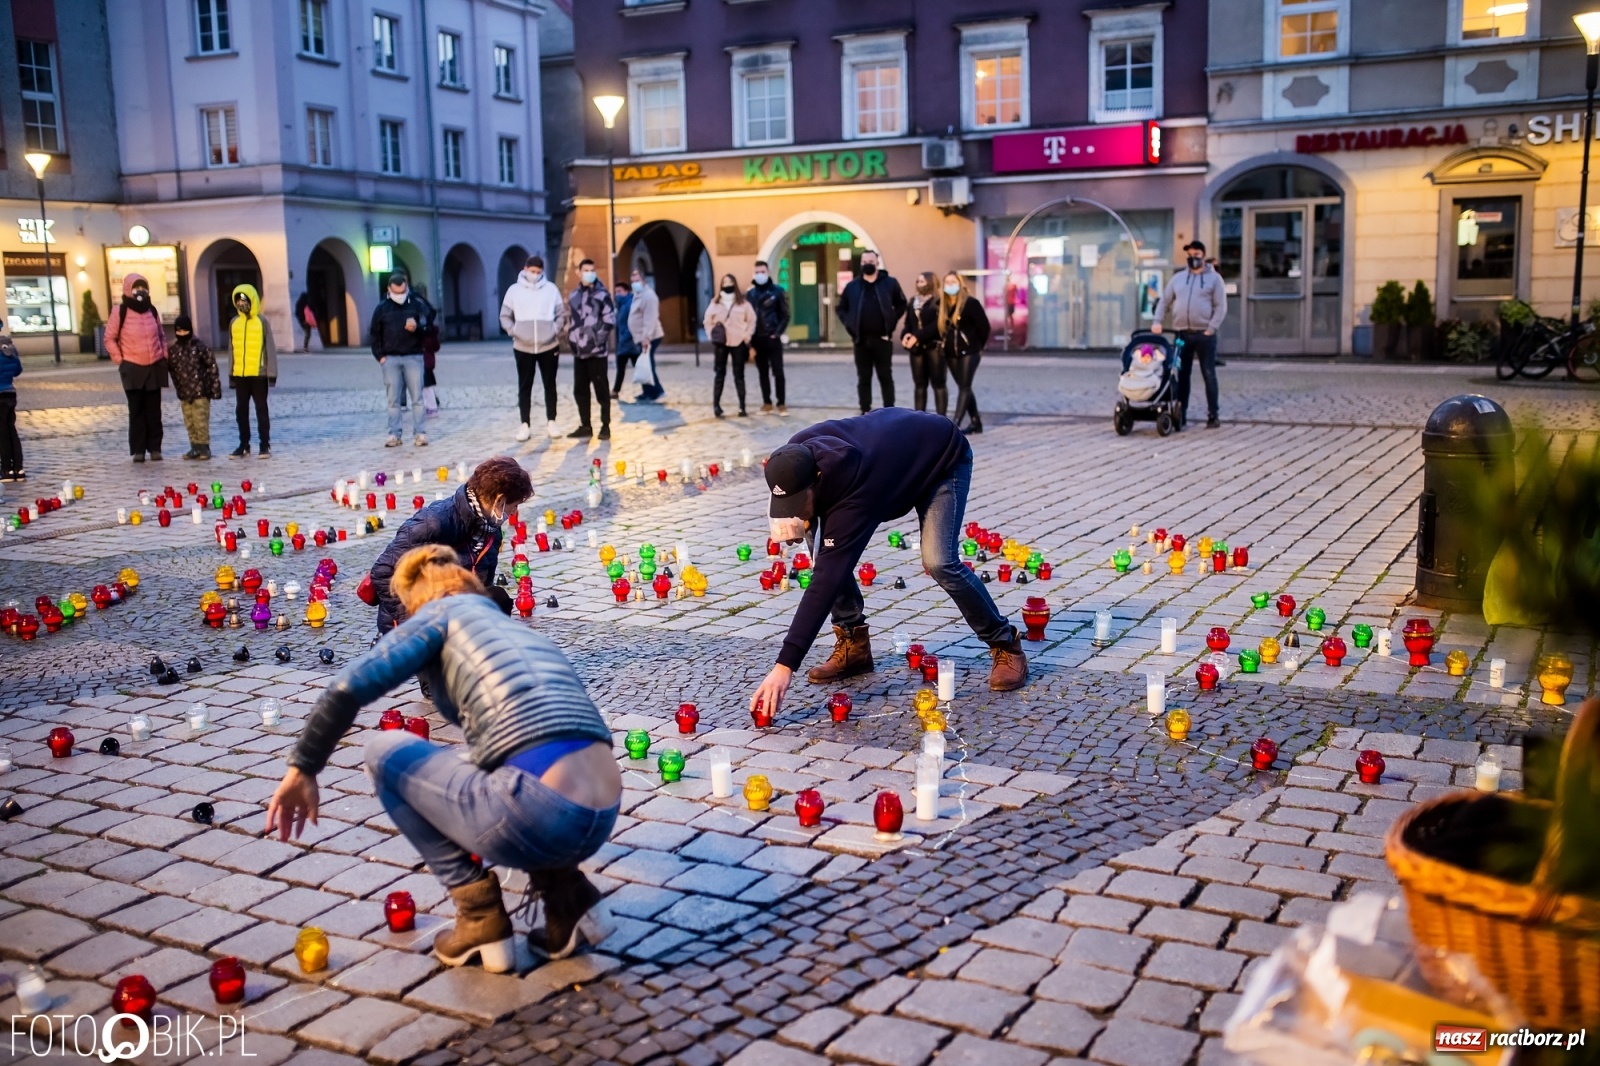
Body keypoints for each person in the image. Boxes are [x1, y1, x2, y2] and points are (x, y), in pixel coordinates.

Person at [265, 544, 621, 970]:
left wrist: (303, 767)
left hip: (539, 811)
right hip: (602, 809)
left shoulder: (438, 615)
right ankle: (569, 899)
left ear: (416, 601)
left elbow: (347, 687)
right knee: (486, 766)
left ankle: (480, 917)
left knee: (383, 751)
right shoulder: (521, 633)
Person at [748, 410, 1029, 721]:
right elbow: (788, 497)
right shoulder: (794, 455)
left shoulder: (856, 493)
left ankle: (1005, 643)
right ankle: (853, 644)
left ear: (817, 479)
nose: (793, 511)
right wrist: (788, 515)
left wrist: (784, 665)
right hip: (892, 455)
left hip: (940, 456)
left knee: (939, 561)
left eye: (797, 502)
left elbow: (827, 579)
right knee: (815, 540)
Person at [368, 456, 533, 636]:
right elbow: (383, 571)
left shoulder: (490, 529)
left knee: (497, 599)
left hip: (454, 613)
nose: (515, 512)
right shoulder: (434, 522)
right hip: (418, 620)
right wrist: (412, 622)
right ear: (499, 500)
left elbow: (482, 582)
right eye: (514, 505)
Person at [1152, 239, 1227, 429]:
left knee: (1208, 373)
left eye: (1196, 255)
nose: (1193, 258)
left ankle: (1213, 414)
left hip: (1204, 336)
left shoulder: (1214, 278)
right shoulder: (1178, 278)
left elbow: (1220, 306)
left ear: (1203, 256)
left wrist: (1212, 328)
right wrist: (1157, 321)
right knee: (1181, 374)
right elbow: (1164, 301)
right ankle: (1180, 413)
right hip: (1182, 335)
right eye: (1190, 255)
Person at [499, 255, 568, 441]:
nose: (535, 275)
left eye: (538, 272)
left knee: (550, 384)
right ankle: (525, 424)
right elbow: (505, 315)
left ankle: (552, 421)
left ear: (542, 272)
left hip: (548, 345)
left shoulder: (551, 290)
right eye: (532, 271)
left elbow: (561, 314)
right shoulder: (514, 290)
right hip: (523, 345)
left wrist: (554, 329)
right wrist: (513, 331)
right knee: (524, 385)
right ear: (525, 268)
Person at [104, 273, 168, 463]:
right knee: (137, 410)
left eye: (143, 288)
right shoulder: (120, 311)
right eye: (136, 288)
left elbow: (161, 335)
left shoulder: (152, 310)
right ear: (128, 290)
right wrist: (120, 360)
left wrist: (163, 354)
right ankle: (138, 449)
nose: (140, 292)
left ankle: (155, 448)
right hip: (132, 367)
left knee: (154, 411)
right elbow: (109, 338)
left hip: (154, 365)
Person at [835, 250, 906, 414]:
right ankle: (865, 410)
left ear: (877, 263)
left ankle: (890, 411)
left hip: (882, 339)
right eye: (864, 261)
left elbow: (901, 304)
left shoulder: (890, 283)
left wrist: (891, 321)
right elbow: (841, 308)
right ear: (861, 264)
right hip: (860, 340)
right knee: (863, 378)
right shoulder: (852, 286)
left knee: (885, 377)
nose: (867, 263)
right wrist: (849, 324)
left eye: (871, 261)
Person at [370, 273, 434, 448]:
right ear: (389, 290)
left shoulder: (415, 305)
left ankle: (420, 433)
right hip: (390, 358)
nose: (400, 295)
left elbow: (429, 328)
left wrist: (418, 328)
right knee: (393, 399)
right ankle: (394, 434)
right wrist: (380, 356)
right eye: (397, 292)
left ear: (407, 287)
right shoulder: (382, 308)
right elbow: (374, 333)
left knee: (417, 398)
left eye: (403, 291)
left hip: (413, 356)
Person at [565, 259, 614, 440]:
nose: (589, 272)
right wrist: (571, 339)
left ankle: (605, 426)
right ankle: (585, 425)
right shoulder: (574, 295)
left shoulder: (602, 295)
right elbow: (570, 320)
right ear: (578, 272)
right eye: (585, 270)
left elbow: (609, 321)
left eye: (592, 270)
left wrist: (597, 340)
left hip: (597, 353)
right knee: (580, 390)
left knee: (602, 390)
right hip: (579, 353)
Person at [226, 285, 277, 459]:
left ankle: (264, 444)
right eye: (238, 301)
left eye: (245, 301)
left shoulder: (261, 322)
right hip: (241, 374)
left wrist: (272, 373)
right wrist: (231, 373)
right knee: (241, 410)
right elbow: (231, 350)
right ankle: (244, 444)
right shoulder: (234, 323)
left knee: (261, 409)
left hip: (258, 373)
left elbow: (270, 347)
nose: (241, 304)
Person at [939, 273, 991, 435]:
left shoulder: (971, 303)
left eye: (953, 282)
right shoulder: (942, 305)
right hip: (951, 352)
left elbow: (984, 327)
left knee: (964, 386)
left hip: (970, 351)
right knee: (964, 385)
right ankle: (976, 421)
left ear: (960, 284)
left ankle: (955, 424)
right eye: (947, 282)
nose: (950, 285)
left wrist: (976, 345)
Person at [168, 314, 222, 461]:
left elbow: (212, 367)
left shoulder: (200, 347)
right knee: (189, 421)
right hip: (184, 392)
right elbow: (172, 371)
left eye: (185, 331)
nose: (182, 335)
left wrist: (215, 388)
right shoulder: (173, 350)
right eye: (179, 332)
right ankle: (194, 446)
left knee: (200, 420)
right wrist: (177, 387)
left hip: (201, 391)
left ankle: (204, 446)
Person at [704, 273, 756, 419]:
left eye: (730, 281)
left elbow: (752, 320)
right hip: (721, 343)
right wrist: (711, 335)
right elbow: (707, 321)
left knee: (739, 374)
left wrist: (746, 335)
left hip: (738, 341)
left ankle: (742, 406)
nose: (727, 284)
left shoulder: (743, 303)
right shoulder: (715, 303)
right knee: (719, 374)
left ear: (734, 283)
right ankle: (716, 405)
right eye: (725, 282)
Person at [900, 271, 946, 417]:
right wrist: (905, 335)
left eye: (923, 281)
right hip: (917, 350)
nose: (919, 284)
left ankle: (941, 419)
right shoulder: (913, 301)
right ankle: (919, 418)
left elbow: (936, 326)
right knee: (920, 385)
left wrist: (917, 336)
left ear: (931, 283)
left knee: (938, 384)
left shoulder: (939, 301)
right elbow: (909, 323)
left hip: (934, 347)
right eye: (918, 281)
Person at [747, 261, 790, 414]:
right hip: (757, 339)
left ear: (768, 272)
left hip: (772, 337)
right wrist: (750, 340)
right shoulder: (750, 294)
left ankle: (781, 403)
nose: (759, 274)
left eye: (762, 271)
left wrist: (776, 333)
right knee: (762, 372)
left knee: (778, 371)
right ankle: (767, 402)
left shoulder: (777, 291)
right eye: (757, 271)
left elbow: (785, 315)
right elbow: (748, 316)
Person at [626, 270, 665, 403]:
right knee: (644, 364)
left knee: (647, 364)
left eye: (637, 280)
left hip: (650, 336)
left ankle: (656, 391)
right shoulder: (638, 294)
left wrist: (646, 337)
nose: (635, 284)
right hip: (640, 336)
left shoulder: (649, 296)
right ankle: (648, 392)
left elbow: (650, 318)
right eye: (632, 281)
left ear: (644, 281)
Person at [0, 328, 22, 482]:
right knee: (11, 430)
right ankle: (18, 468)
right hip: (10, 393)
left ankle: (6, 468)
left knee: (2, 434)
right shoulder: (12, 353)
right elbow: (17, 370)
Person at [611, 282, 637, 400]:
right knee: (621, 369)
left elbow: (632, 323)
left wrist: (624, 337)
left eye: (620, 291)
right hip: (623, 344)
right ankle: (615, 390)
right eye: (616, 292)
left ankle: (650, 389)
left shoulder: (630, 304)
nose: (617, 294)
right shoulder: (620, 305)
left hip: (630, 343)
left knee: (639, 367)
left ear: (626, 291)